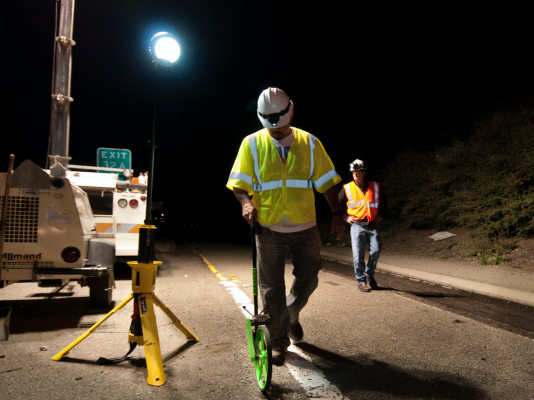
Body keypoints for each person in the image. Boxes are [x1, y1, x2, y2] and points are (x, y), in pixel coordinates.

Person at [227, 87, 345, 363]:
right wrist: (245, 203)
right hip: (268, 227)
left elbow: (328, 183)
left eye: (280, 125)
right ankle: (278, 341)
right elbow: (238, 183)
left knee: (309, 278)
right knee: (272, 288)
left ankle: (290, 314)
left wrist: (337, 213)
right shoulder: (252, 144)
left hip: (305, 226)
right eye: (271, 125)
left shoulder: (310, 143)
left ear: (291, 112)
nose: (277, 130)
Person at [338, 159, 387, 292]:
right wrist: (345, 217)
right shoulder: (347, 188)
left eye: (357, 172)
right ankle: (361, 281)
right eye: (353, 172)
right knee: (358, 254)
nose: (355, 174)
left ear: (364, 173)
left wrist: (381, 214)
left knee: (376, 251)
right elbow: (338, 205)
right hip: (357, 225)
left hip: (372, 224)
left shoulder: (375, 186)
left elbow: (385, 201)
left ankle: (369, 274)